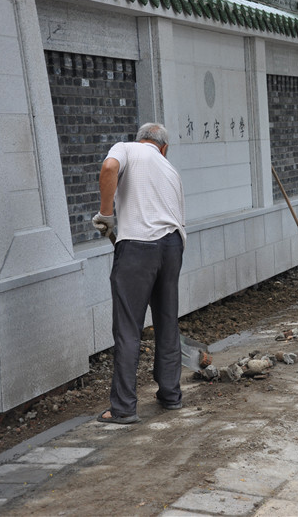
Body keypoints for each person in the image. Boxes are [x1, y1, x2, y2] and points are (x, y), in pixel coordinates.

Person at [92, 123, 186, 424]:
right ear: (164, 147)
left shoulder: (127, 148)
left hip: (137, 248)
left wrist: (107, 213)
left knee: (128, 328)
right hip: (172, 246)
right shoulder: (171, 170)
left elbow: (108, 167)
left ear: (140, 140)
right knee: (167, 322)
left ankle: (123, 409)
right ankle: (171, 394)